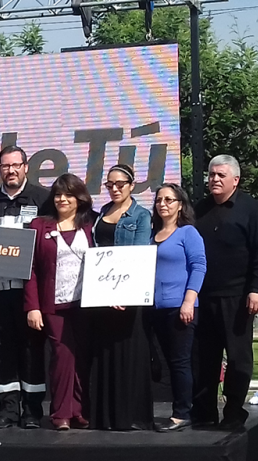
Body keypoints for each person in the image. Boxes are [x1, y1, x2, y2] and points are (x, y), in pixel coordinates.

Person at [192, 155, 258, 430]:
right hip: (204, 297)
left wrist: (257, 289)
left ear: (235, 180)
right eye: (211, 174)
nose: (214, 179)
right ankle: (204, 413)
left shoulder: (250, 209)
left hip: (238, 297)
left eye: (221, 175)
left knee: (239, 358)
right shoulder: (199, 210)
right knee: (204, 358)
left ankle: (234, 412)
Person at [0, 145, 49, 430]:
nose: (11, 171)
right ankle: (7, 410)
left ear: (25, 167)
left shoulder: (43, 199)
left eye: (15, 165)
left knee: (31, 349)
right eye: (5, 166)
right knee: (2, 350)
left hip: (29, 290)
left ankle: (32, 410)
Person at [24, 173, 95, 431]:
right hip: (53, 304)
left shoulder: (91, 224)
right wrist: (32, 306)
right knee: (62, 355)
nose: (62, 199)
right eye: (58, 195)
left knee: (82, 356)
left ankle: (79, 410)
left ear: (79, 198)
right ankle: (60, 413)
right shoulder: (39, 226)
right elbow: (30, 268)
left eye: (68, 195)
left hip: (86, 304)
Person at [87, 164, 153, 431]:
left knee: (128, 354)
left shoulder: (141, 215)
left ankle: (130, 416)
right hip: (102, 295)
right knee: (105, 355)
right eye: (109, 185)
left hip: (127, 296)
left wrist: (122, 293)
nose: (114, 189)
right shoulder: (102, 212)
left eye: (120, 184)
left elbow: (138, 254)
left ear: (131, 185)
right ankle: (106, 416)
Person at [149, 184, 206, 432]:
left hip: (179, 307)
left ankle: (182, 413)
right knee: (166, 362)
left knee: (180, 362)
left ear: (180, 205)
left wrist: (189, 301)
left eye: (169, 200)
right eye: (159, 200)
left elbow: (199, 266)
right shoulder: (152, 234)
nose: (163, 204)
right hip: (155, 308)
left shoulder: (188, 233)